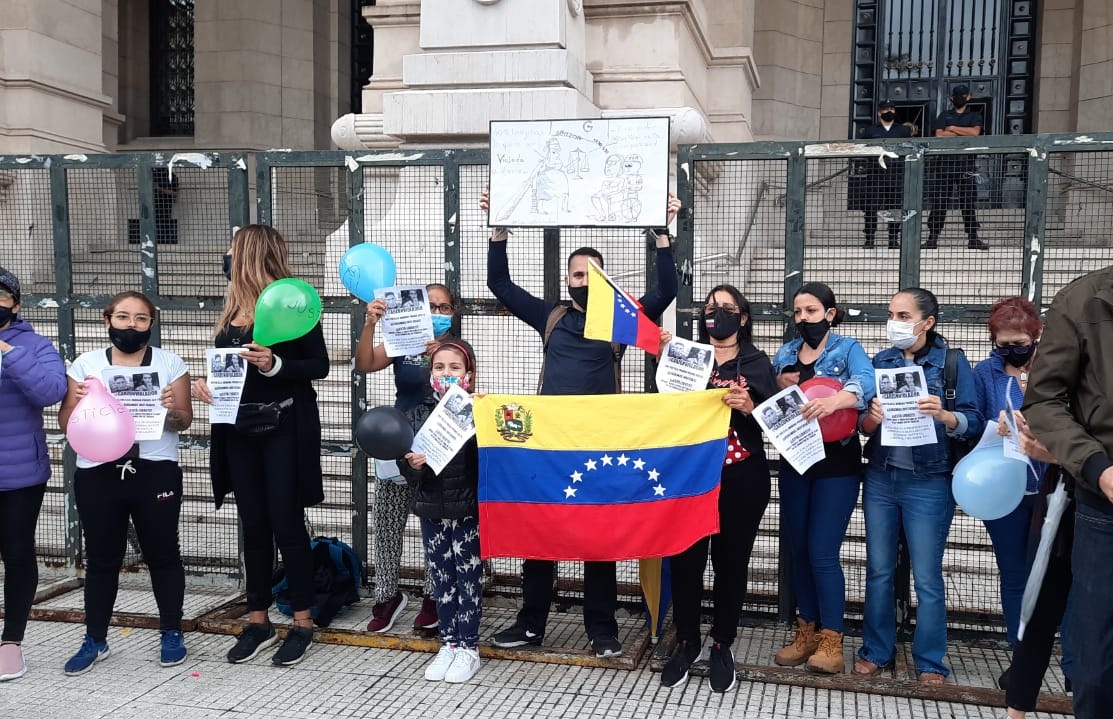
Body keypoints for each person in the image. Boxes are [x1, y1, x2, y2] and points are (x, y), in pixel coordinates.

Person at [483, 188, 682, 657]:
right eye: (576, 274)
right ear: (566, 279)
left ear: (605, 280)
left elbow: (667, 291)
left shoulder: (622, 318)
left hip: (600, 440)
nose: (583, 281)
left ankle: (602, 628)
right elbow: (502, 288)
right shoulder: (549, 315)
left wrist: (662, 238)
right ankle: (531, 623)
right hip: (549, 443)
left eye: (592, 274)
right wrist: (498, 234)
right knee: (538, 532)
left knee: (600, 534)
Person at [191, 225, 330, 667]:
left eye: (232, 251)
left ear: (249, 253)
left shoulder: (290, 305)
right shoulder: (230, 310)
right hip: (237, 430)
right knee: (252, 524)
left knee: (286, 522)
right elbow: (231, 372)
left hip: (283, 427)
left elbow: (319, 364)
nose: (226, 258)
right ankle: (258, 619)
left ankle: (303, 622)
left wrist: (276, 363)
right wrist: (205, 386)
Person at [57, 291, 193, 675]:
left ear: (151, 323)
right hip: (98, 470)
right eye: (122, 317)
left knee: (163, 553)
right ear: (107, 321)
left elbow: (186, 421)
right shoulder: (85, 365)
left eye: (140, 319)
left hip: (154, 468)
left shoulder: (169, 363)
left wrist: (171, 411)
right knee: (102, 558)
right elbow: (66, 423)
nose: (130, 325)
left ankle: (171, 631)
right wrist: (81, 403)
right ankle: (95, 639)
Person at [856, 287, 983, 684]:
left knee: (927, 575)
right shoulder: (882, 361)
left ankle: (930, 661)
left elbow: (974, 420)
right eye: (892, 314)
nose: (894, 323)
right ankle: (876, 650)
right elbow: (863, 428)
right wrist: (872, 417)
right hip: (881, 477)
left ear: (928, 322)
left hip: (928, 481)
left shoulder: (953, 363)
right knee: (878, 570)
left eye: (904, 316)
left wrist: (944, 415)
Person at [658, 285, 775, 692]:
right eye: (710, 308)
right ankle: (687, 640)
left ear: (743, 318)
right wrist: (665, 357)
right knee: (687, 561)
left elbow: (778, 421)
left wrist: (751, 408)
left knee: (730, 563)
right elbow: (663, 408)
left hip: (742, 478)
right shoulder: (688, 356)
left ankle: (722, 643)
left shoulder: (759, 364)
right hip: (689, 477)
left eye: (727, 308)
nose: (717, 314)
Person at [1022, 265, 1113, 719]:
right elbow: (1044, 399)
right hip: (1100, 497)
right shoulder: (1083, 299)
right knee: (1096, 666)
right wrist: (1096, 467)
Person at [771, 282, 875, 674]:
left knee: (822, 551)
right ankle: (807, 633)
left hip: (838, 464)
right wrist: (779, 386)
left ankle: (832, 640)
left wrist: (835, 400)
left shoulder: (847, 349)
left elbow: (866, 383)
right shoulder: (784, 354)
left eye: (811, 311)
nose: (804, 319)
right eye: (798, 312)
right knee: (797, 548)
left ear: (830, 314)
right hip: (796, 462)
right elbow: (771, 403)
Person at [355, 283, 460, 633]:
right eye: (431, 305)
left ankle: (434, 594)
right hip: (398, 439)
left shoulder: (455, 352)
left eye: (444, 308)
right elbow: (365, 363)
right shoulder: (403, 340)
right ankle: (387, 595)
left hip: (439, 444)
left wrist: (439, 359)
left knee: (433, 521)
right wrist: (370, 323)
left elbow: (465, 395)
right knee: (387, 522)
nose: (437, 313)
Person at [398, 340, 483, 683]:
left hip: (468, 511)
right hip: (431, 510)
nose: (446, 373)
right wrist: (413, 465)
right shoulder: (417, 413)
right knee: (442, 579)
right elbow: (406, 468)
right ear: (430, 373)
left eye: (454, 368)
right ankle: (448, 643)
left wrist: (485, 415)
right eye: (439, 367)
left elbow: (492, 460)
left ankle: (469, 648)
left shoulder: (478, 412)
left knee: (469, 579)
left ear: (469, 375)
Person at [0, 267, 68, 682]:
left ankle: (11, 641)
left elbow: (49, 392)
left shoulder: (35, 345)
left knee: (18, 553)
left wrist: (7, 351)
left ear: (16, 304)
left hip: (19, 473)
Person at [972, 297, 1047, 648]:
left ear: (1037, 334)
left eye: (1019, 344)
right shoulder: (986, 372)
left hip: (1051, 483)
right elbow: (973, 424)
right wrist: (996, 423)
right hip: (1004, 485)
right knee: (1013, 572)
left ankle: (1065, 659)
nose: (1012, 351)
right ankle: (1021, 651)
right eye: (1003, 345)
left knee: (1055, 572)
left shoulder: (1053, 369)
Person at [924, 84, 987, 250]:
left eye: (963, 95)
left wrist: (952, 129)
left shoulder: (974, 115)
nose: (960, 98)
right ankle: (932, 238)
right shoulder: (944, 115)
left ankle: (973, 238)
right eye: (957, 95)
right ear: (952, 98)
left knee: (968, 202)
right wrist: (961, 131)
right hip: (945, 166)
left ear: (968, 97)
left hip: (966, 166)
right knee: (939, 202)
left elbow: (975, 133)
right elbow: (939, 135)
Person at [856, 99, 911, 249]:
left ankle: (893, 239)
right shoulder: (870, 130)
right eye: (886, 109)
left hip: (896, 174)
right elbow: (862, 150)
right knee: (870, 208)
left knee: (894, 207)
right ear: (879, 112)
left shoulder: (903, 131)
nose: (889, 112)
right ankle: (869, 239)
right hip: (875, 174)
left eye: (892, 109)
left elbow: (909, 150)